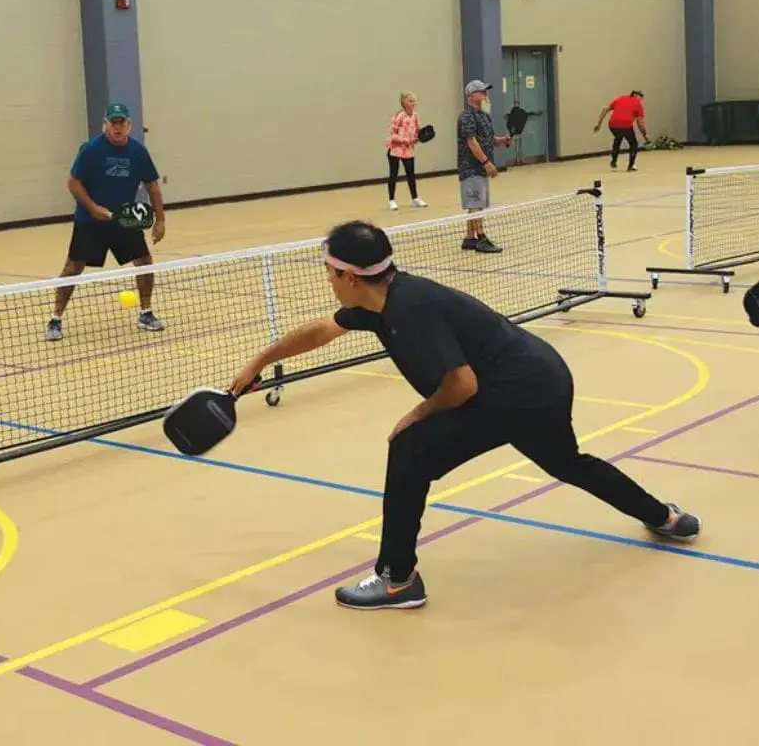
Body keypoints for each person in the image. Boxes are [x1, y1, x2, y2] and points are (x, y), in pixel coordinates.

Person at [228, 220, 700, 610]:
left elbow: (461, 385)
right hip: (544, 375)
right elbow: (320, 331)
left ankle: (396, 579)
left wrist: (417, 414)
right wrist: (260, 362)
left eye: (328, 269)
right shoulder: (379, 301)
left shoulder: (409, 310)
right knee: (567, 462)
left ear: (349, 276)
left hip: (514, 391)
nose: (326, 277)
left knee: (410, 448)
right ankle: (663, 517)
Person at [47, 102, 167, 340]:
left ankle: (146, 312)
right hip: (90, 221)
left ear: (129, 125)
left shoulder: (138, 152)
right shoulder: (91, 150)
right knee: (73, 267)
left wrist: (160, 219)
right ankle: (55, 319)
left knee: (144, 261)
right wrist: (92, 208)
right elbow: (73, 182)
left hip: (124, 218)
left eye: (121, 122)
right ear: (106, 124)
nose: (117, 127)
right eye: (113, 123)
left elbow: (152, 186)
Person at [457, 79, 511, 254]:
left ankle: (469, 238)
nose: (485, 94)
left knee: (476, 203)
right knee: (475, 202)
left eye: (485, 91)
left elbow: (488, 139)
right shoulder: (466, 117)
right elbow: (472, 142)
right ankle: (481, 239)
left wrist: (501, 141)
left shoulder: (484, 115)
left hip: (480, 167)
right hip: (470, 166)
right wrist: (486, 162)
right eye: (481, 91)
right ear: (472, 95)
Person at [385, 93, 427, 211]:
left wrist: (421, 137)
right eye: (410, 101)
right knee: (393, 174)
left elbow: (418, 131)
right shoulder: (399, 116)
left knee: (411, 174)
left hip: (408, 150)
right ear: (404, 103)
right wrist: (405, 140)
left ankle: (415, 199)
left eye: (414, 101)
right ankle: (392, 200)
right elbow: (392, 134)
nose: (413, 103)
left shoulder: (415, 116)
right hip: (395, 149)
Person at [594, 90, 649, 171]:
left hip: (612, 125)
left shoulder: (620, 98)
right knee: (633, 144)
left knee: (618, 137)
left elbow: (605, 109)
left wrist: (599, 124)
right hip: (626, 125)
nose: (641, 101)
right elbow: (640, 123)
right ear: (637, 96)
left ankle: (613, 161)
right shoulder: (637, 103)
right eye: (641, 98)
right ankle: (630, 166)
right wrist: (645, 135)